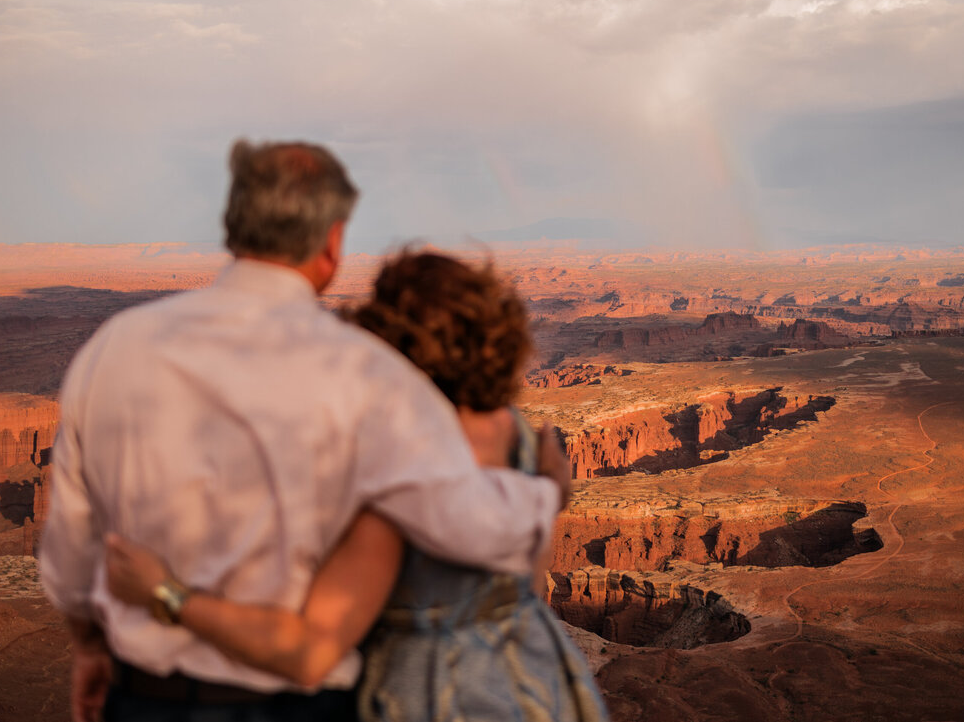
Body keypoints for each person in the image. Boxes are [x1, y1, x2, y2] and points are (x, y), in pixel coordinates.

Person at [39, 141, 570, 722]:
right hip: (295, 706)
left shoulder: (115, 347)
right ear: (333, 241)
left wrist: (90, 647)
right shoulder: (367, 376)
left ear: (233, 226)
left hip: (142, 698)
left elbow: (71, 544)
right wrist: (548, 490)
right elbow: (470, 526)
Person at [105, 251, 609, 722]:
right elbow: (530, 578)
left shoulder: (394, 474)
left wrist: (165, 593)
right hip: (540, 683)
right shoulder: (518, 434)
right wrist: (552, 493)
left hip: (432, 698)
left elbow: (308, 654)